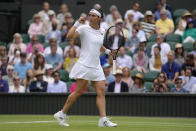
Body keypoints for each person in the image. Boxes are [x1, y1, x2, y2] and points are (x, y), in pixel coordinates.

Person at [53, 8, 117, 127]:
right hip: (85, 65)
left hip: (96, 66)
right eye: (90, 15)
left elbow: (99, 46)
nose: (90, 17)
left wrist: (109, 52)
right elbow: (69, 36)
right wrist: (77, 23)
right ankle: (61, 113)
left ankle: (103, 120)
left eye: (93, 15)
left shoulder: (102, 31)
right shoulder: (83, 28)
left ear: (99, 18)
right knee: (78, 92)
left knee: (101, 91)